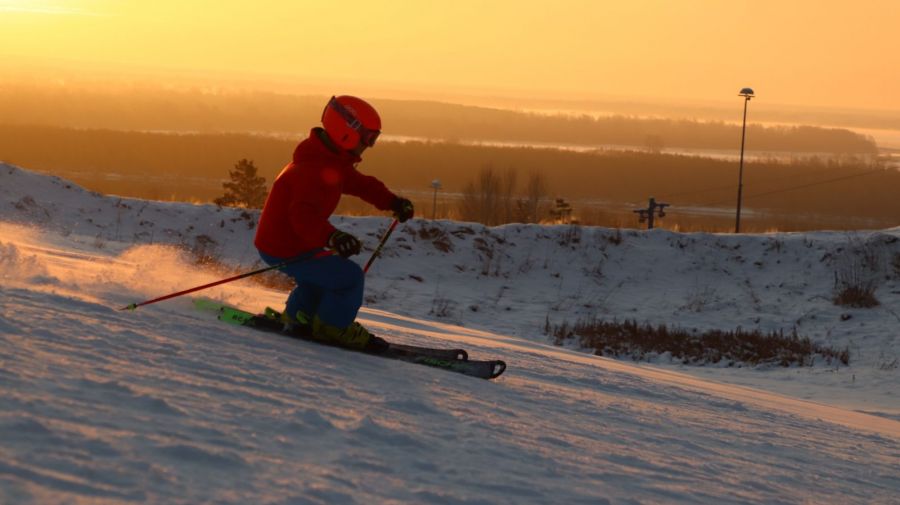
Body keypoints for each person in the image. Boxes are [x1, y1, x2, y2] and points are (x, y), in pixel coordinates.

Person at [254, 95, 414, 352]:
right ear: (347, 132)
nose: (370, 145)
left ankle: (299, 316)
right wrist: (332, 237)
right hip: (285, 245)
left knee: (321, 278)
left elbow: (362, 185)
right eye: (368, 138)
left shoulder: (331, 162)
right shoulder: (313, 169)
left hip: (291, 242)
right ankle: (332, 327)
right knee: (348, 278)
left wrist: (392, 202)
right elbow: (303, 216)